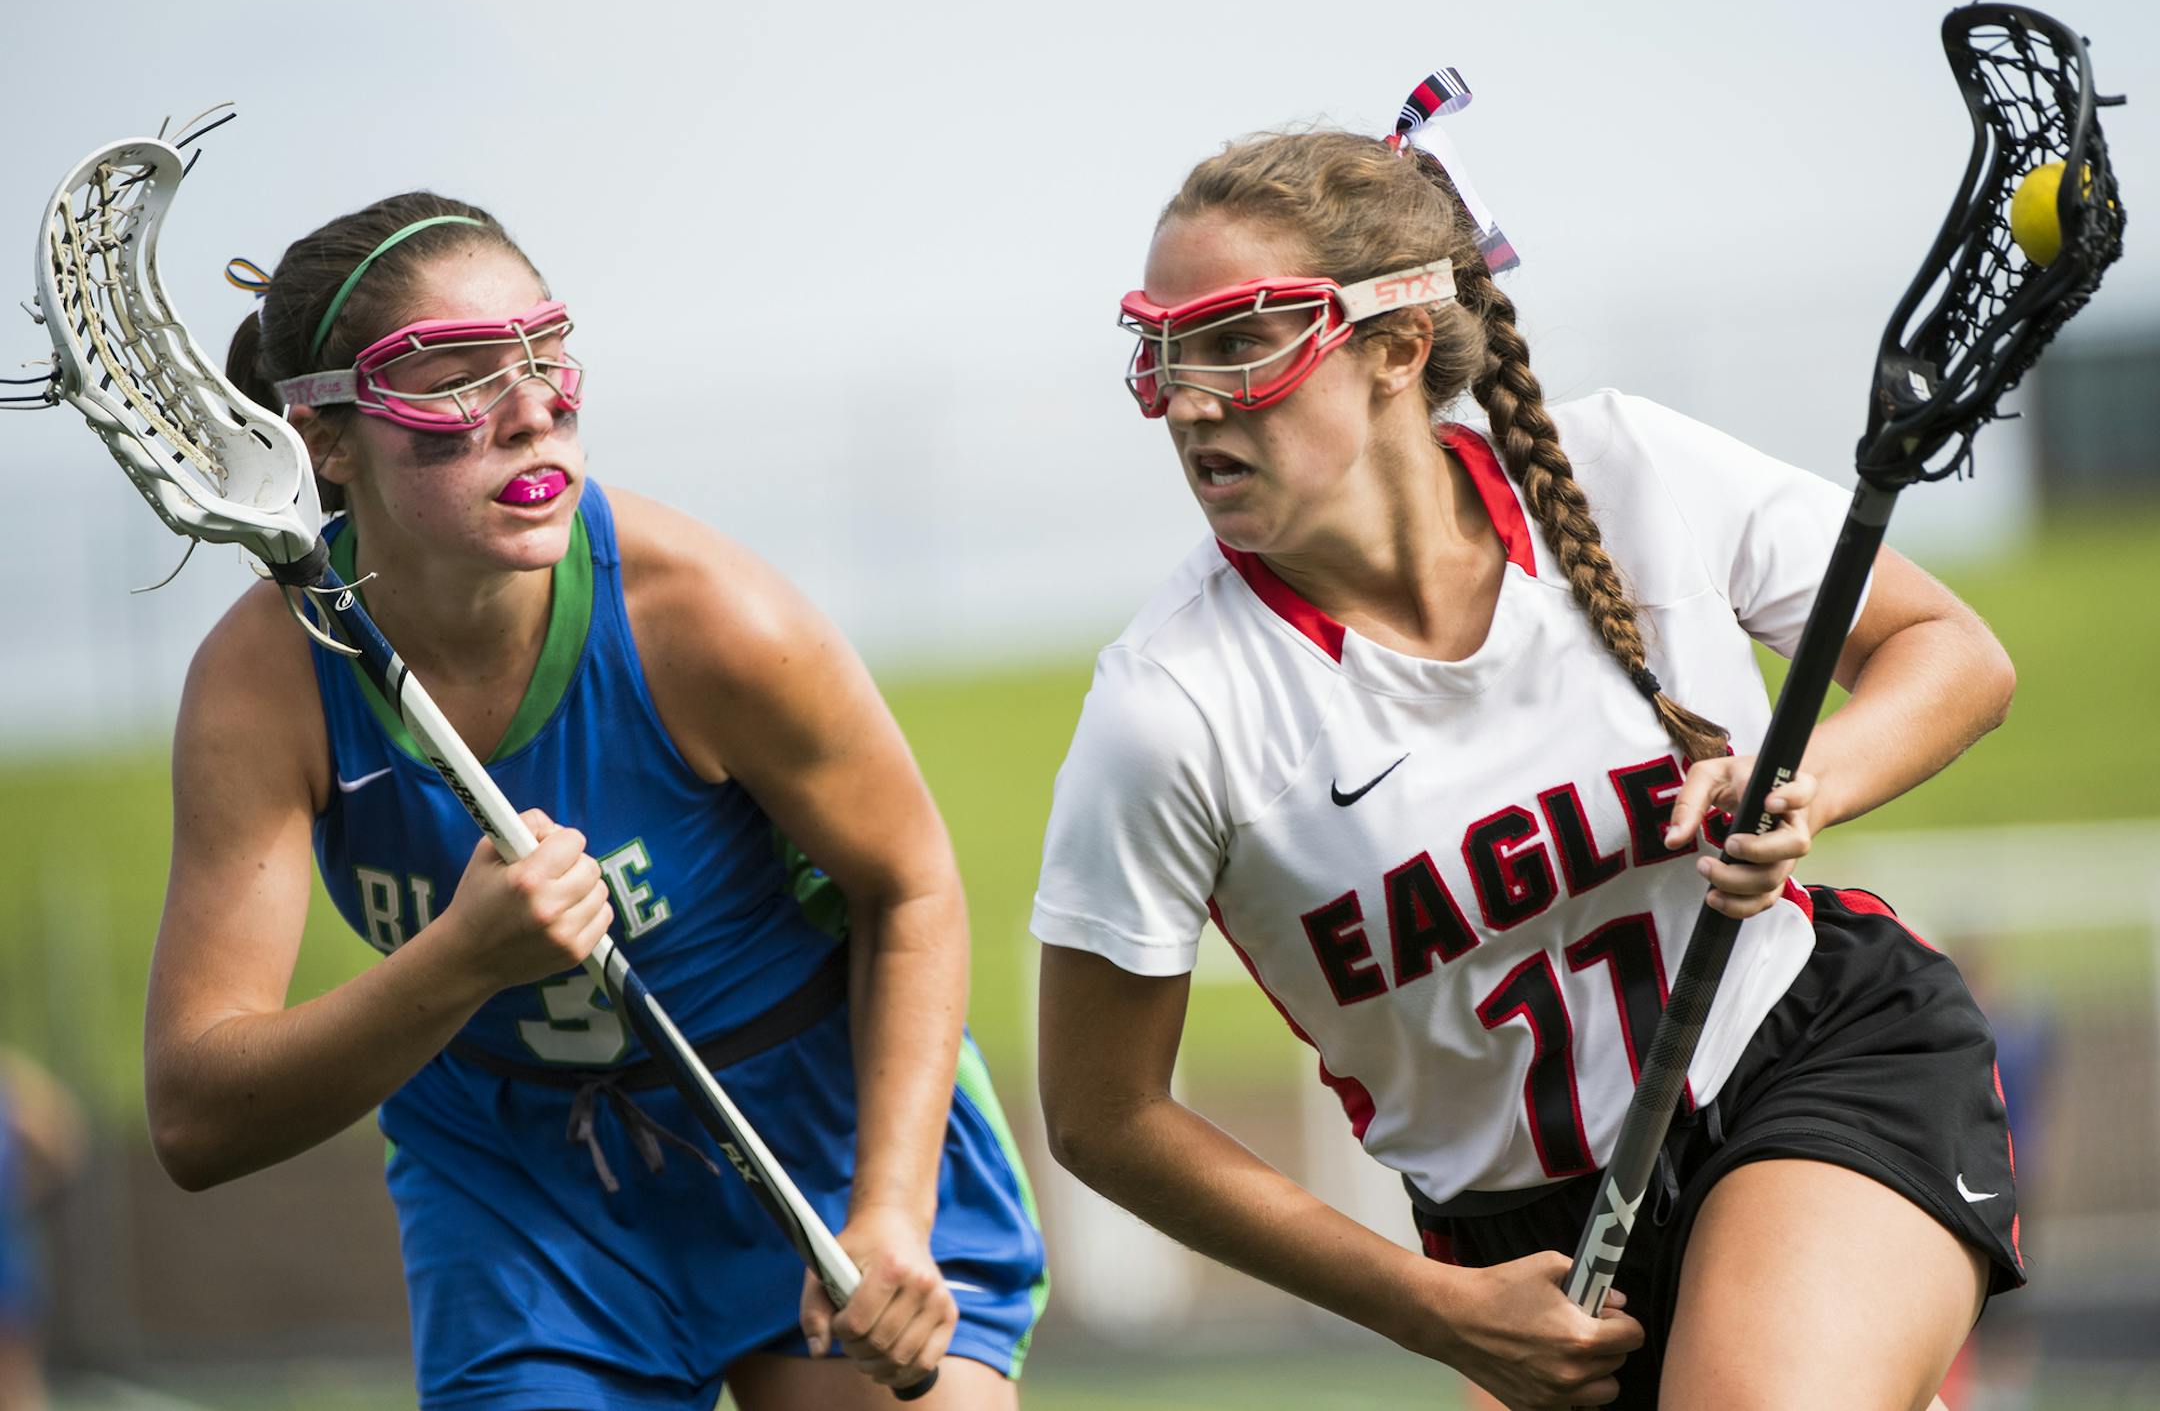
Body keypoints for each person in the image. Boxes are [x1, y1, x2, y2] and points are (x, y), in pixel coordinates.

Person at [1031, 127, 2024, 1410]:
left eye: (1242, 341)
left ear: (1394, 346)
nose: (1189, 397)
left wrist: (1810, 781)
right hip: (1517, 1247)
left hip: (1804, 1059)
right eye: (1165, 350)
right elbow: (1102, 1113)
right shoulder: (1169, 708)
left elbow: (1951, 649)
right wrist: (1435, 1308)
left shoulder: (1630, 470)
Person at [147, 195, 1044, 1411]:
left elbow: (913, 884)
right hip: (520, 1186)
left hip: (815, 1129)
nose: (530, 409)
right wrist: (460, 960)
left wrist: (890, 1207)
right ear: (324, 439)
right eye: (452, 378)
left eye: (545, 354)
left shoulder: (715, 621)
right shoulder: (266, 684)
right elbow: (197, 1115)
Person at [0, 1050, 86, 1411]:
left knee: (15, 1380)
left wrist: (26, 1194)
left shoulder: (12, 1082)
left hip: (8, 1260)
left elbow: (64, 1139)